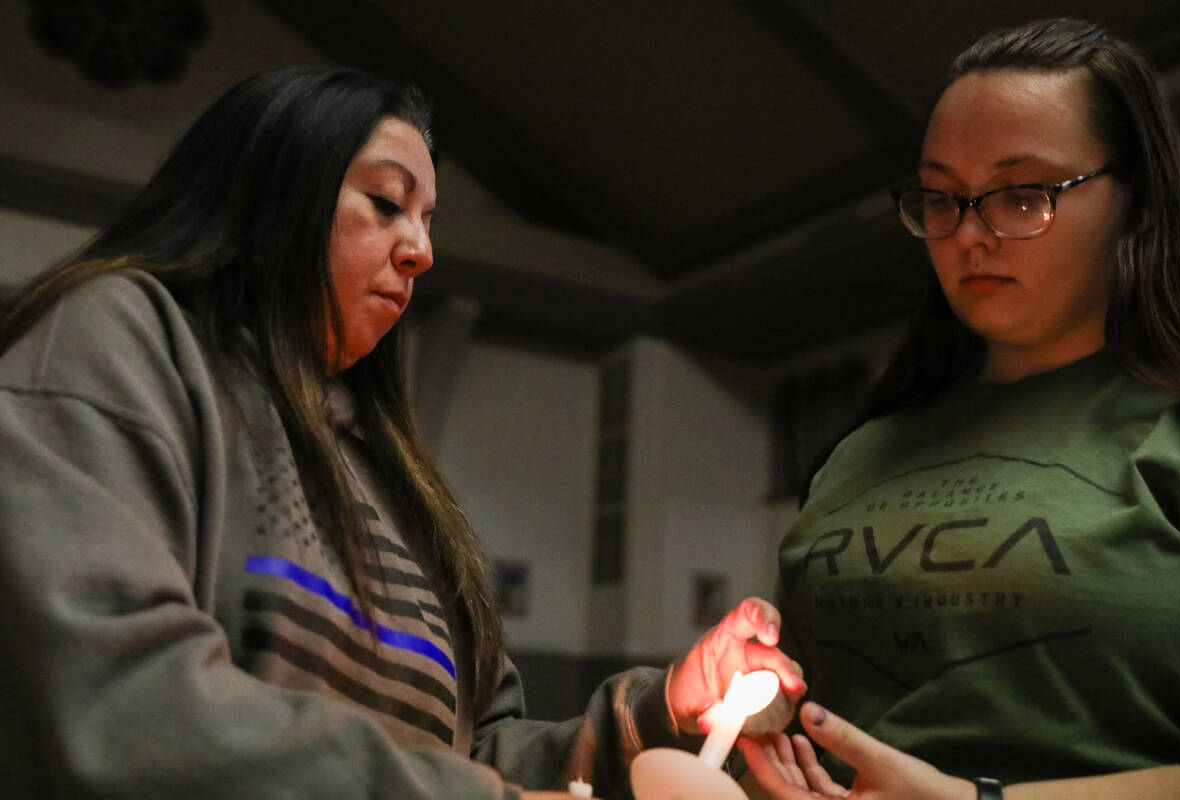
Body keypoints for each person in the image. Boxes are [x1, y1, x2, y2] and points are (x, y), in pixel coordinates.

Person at [0, 65, 804, 798]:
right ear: (273, 194)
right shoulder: (119, 342)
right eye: (386, 204)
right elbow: (122, 705)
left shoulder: (385, 468)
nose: (420, 251)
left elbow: (473, 758)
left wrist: (667, 708)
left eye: (426, 220)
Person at [741, 17, 1180, 800]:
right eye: (943, 199)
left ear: (1142, 202)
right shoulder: (864, 449)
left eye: (1024, 196)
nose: (970, 238)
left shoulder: (1175, 431)